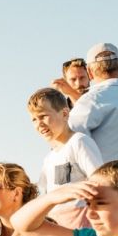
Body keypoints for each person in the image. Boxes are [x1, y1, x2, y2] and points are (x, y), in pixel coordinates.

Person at [28, 87, 103, 228]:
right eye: (34, 119)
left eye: (43, 116)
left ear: (64, 113)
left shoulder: (79, 142)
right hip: (57, 224)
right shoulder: (49, 158)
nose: (39, 124)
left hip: (82, 226)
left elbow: (99, 182)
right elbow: (44, 194)